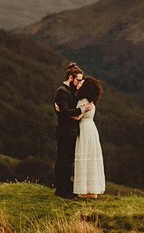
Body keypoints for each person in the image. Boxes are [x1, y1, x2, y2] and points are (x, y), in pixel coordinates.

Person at [53, 63, 85, 198]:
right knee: (63, 161)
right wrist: (82, 110)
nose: (79, 82)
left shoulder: (70, 91)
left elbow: (64, 111)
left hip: (71, 131)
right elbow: (65, 111)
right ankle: (61, 190)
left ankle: (66, 188)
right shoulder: (62, 91)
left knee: (68, 161)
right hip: (65, 132)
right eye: (78, 79)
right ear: (71, 77)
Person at [72, 76, 105, 198]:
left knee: (84, 156)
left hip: (84, 129)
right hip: (91, 127)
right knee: (92, 157)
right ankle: (93, 191)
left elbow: (77, 117)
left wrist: (62, 111)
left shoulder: (83, 101)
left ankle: (85, 191)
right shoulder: (92, 101)